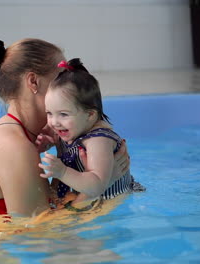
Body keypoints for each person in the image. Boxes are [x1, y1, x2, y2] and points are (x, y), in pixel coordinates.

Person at [0, 39, 131, 217]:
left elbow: (47, 205)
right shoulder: (15, 147)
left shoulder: (12, 130)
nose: (69, 83)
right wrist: (101, 186)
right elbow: (40, 234)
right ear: (33, 81)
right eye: (60, 77)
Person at [38, 58, 145, 210]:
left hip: (111, 204)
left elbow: (96, 186)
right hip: (85, 199)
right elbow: (59, 144)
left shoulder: (98, 140)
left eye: (63, 114)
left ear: (90, 115)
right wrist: (46, 143)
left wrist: (62, 172)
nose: (54, 122)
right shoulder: (70, 127)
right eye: (49, 113)